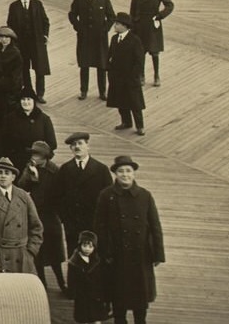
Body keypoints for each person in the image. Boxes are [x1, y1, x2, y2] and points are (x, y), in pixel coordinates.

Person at [94, 156, 164, 324]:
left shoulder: (145, 196)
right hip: (116, 256)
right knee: (119, 300)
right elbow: (99, 227)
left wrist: (158, 254)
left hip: (141, 255)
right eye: (121, 171)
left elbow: (155, 226)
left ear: (133, 173)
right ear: (115, 174)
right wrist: (104, 252)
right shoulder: (106, 195)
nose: (125, 175)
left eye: (128, 171)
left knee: (140, 301)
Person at [0, 157, 44, 274]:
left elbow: (37, 227)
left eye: (7, 173)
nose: (3, 176)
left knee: (24, 291)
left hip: (23, 257)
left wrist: (31, 252)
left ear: (13, 177)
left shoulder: (24, 196)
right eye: (0, 172)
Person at [18, 140, 67, 292]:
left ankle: (61, 282)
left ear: (45, 156)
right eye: (32, 153)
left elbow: (61, 193)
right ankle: (42, 284)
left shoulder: (55, 171)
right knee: (38, 251)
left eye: (37, 154)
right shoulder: (30, 168)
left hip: (51, 215)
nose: (34, 157)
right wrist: (32, 176)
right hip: (35, 214)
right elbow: (21, 186)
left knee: (55, 252)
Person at [56, 133, 113, 257]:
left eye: (80, 143)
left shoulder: (101, 169)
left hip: (94, 222)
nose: (77, 147)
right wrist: (65, 218)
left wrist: (103, 220)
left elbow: (109, 198)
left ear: (88, 146)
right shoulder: (65, 169)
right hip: (72, 223)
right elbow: (58, 196)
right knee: (74, 255)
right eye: (73, 144)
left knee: (94, 256)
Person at [68, 0, 115, 100]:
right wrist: (78, 27)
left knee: (102, 65)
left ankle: (102, 92)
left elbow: (111, 16)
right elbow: (72, 14)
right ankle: (84, 91)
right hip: (84, 38)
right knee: (84, 65)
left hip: (100, 38)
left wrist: (105, 30)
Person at [6, 0, 51, 103]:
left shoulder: (37, 4)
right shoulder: (14, 6)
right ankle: (29, 91)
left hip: (36, 43)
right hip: (21, 44)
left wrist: (45, 36)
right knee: (24, 68)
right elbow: (10, 24)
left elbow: (45, 21)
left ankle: (40, 94)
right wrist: (14, 41)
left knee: (39, 69)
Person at [106, 13, 148, 135]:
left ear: (125, 26)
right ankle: (126, 122)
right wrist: (108, 68)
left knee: (135, 104)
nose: (115, 26)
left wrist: (133, 76)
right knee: (120, 101)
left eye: (117, 24)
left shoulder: (135, 40)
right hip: (116, 76)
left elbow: (139, 61)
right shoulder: (114, 39)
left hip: (130, 78)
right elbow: (110, 55)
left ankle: (140, 126)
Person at [67, 230, 110, 324]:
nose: (87, 249)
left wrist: (103, 293)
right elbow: (71, 280)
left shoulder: (97, 260)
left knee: (97, 317)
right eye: (85, 245)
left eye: (91, 246)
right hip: (82, 296)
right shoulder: (74, 262)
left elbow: (101, 278)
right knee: (83, 317)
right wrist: (72, 292)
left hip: (96, 295)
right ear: (80, 245)